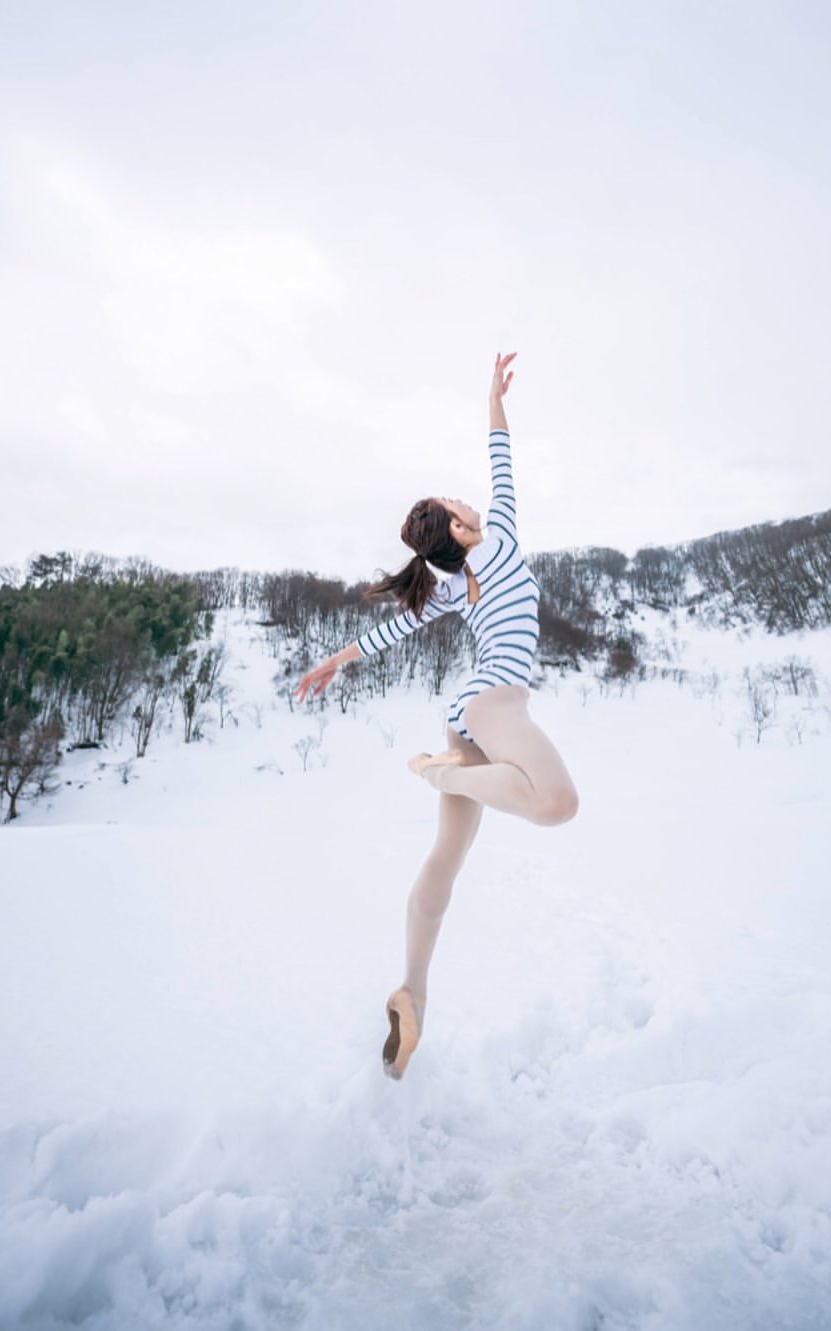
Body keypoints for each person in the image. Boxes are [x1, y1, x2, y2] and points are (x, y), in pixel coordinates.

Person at [294, 352, 579, 1079]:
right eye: (456, 500)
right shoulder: (499, 535)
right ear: (458, 524)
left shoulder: (449, 582)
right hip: (493, 701)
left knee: (445, 860)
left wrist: (334, 660)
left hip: (471, 714)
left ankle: (410, 991)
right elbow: (502, 458)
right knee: (555, 802)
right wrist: (492, 402)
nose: (467, 498)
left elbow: (390, 632)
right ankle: (436, 773)